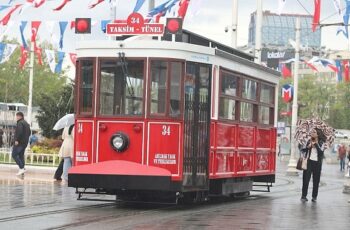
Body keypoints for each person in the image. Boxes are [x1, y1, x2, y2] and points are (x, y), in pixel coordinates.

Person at [301, 128, 326, 202]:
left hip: (317, 164)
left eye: (314, 132)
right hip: (309, 162)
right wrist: (307, 147)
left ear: (317, 134)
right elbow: (302, 150)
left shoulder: (322, 142)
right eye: (312, 132)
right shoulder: (308, 141)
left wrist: (316, 144)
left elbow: (321, 153)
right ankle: (303, 196)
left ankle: (314, 197)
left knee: (316, 181)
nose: (312, 133)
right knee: (305, 180)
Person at [11, 112, 31, 176]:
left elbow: (19, 132)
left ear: (20, 116)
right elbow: (29, 133)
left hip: (19, 142)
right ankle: (22, 168)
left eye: (17, 116)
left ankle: (21, 168)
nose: (16, 118)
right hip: (25, 143)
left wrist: (17, 140)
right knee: (21, 155)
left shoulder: (20, 123)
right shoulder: (26, 123)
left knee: (14, 155)